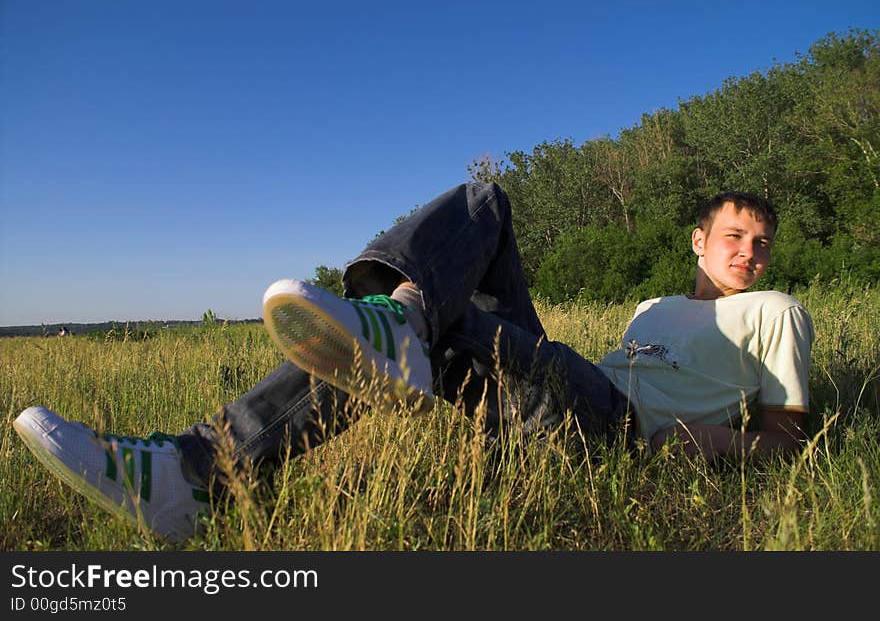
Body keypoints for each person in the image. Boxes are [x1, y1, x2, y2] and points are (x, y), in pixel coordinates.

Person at [13, 182, 814, 541]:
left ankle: (189, 473)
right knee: (484, 203)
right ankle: (395, 328)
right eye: (733, 238)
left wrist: (704, 444)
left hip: (612, 427)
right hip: (567, 387)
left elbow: (787, 437)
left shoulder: (777, 313)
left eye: (761, 244)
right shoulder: (652, 311)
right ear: (700, 242)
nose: (749, 254)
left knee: (419, 323)